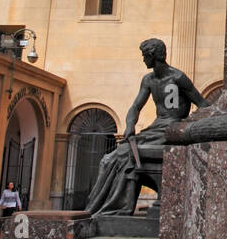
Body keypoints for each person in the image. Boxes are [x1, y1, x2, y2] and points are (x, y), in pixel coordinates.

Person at [85, 38, 208, 216]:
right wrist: (129, 126)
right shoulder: (148, 80)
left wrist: (193, 125)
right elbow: (135, 106)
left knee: (121, 155)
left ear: (152, 56)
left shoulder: (178, 77)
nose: (143, 60)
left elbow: (202, 103)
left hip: (172, 129)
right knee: (109, 159)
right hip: (155, 128)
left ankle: (114, 207)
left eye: (144, 56)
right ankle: (103, 207)